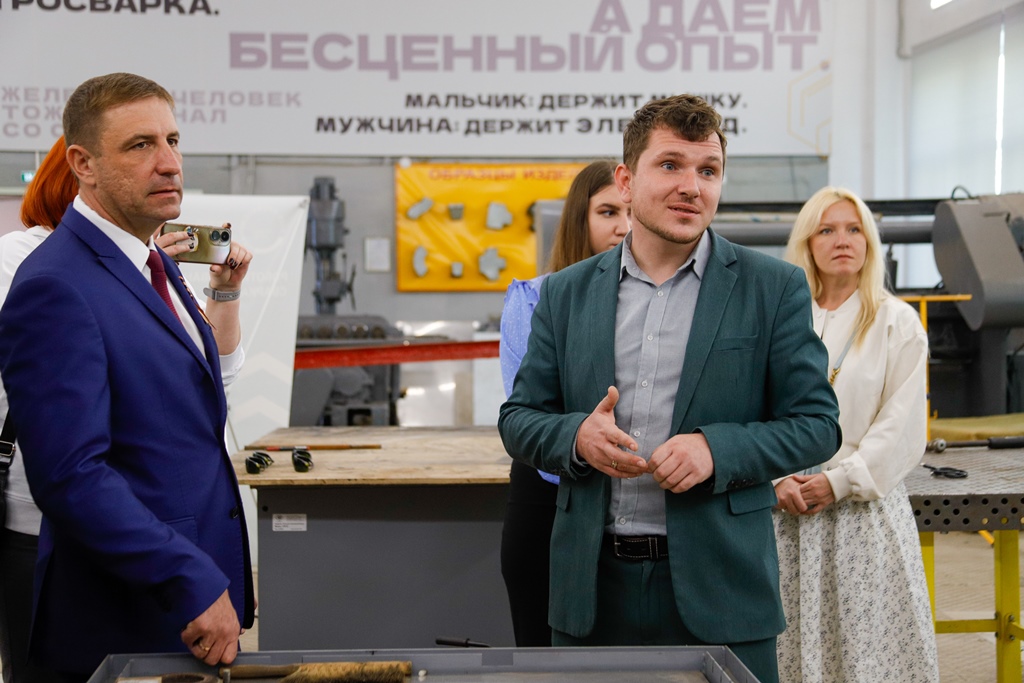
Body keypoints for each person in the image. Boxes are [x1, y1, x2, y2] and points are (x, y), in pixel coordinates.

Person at [497, 94, 841, 683]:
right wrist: (576, 437)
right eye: (670, 165)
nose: (691, 186)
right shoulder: (565, 294)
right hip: (591, 592)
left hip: (723, 590)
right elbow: (518, 418)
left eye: (708, 170)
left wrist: (717, 449)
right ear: (626, 181)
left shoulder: (772, 288)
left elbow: (817, 425)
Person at [0, 73, 255, 681]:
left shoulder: (151, 262)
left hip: (177, 600)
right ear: (82, 164)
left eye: (173, 140)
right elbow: (71, 475)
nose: (169, 163)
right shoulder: (55, 285)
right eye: (140, 145)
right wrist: (187, 578)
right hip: (127, 605)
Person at [773, 186, 938, 682]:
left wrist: (840, 481)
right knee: (787, 653)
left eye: (853, 229)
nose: (842, 240)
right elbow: (756, 408)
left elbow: (902, 424)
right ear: (807, 243)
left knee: (866, 657)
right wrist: (775, 479)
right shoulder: (783, 319)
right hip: (785, 512)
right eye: (826, 230)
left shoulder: (896, 323)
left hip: (859, 518)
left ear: (869, 241)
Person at [499, 159, 629, 647]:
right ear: (579, 219)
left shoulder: (660, 305)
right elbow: (526, 415)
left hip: (635, 506)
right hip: (550, 500)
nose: (624, 227)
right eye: (608, 212)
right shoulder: (533, 298)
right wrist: (584, 450)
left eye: (631, 212)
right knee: (545, 657)